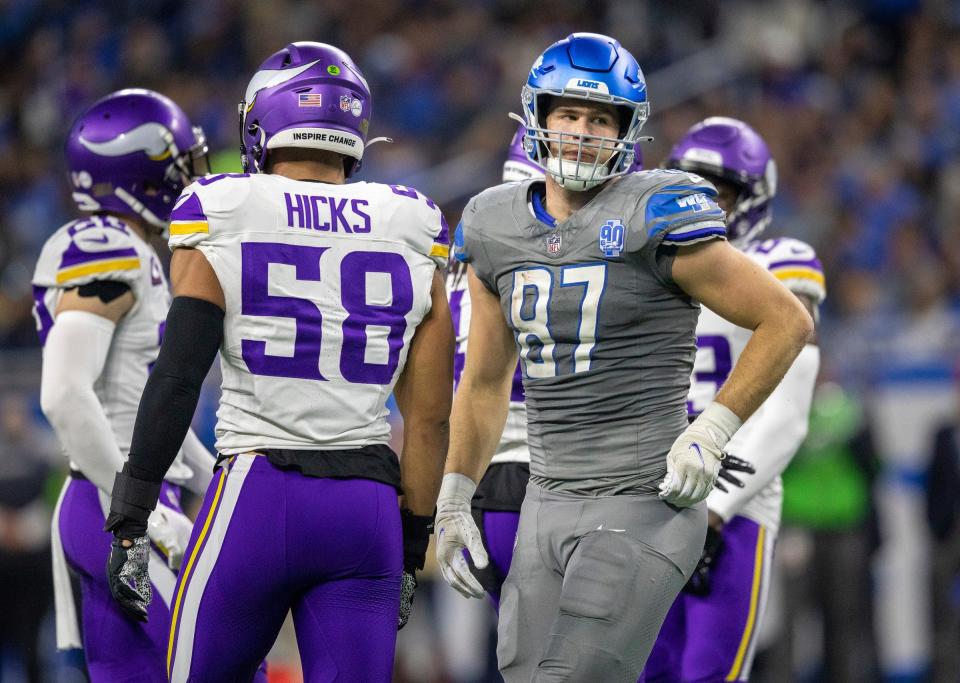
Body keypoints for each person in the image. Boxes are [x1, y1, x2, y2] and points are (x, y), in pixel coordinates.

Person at [434, 33, 813, 682]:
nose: (582, 132)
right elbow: (485, 378)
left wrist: (712, 429)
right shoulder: (493, 221)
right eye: (568, 115)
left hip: (645, 491)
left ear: (628, 130)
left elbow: (787, 320)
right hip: (544, 493)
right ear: (538, 119)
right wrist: (453, 495)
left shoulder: (658, 208)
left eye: (600, 118)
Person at [103, 42, 453, 682]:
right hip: (367, 510)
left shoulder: (224, 206)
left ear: (264, 120)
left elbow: (179, 376)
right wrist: (411, 544)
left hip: (259, 495)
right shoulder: (413, 220)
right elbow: (430, 419)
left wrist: (132, 510)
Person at [32, 88, 215, 681]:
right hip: (114, 503)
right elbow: (63, 393)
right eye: (178, 164)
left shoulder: (138, 251)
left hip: (119, 499)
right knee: (211, 663)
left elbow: (146, 399)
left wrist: (222, 482)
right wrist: (140, 518)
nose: (191, 177)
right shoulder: (109, 246)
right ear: (142, 172)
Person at [642, 117, 825, 682]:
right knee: (645, 669)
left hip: (735, 494)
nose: (701, 202)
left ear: (750, 200)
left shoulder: (778, 262)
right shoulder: (646, 264)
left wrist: (717, 511)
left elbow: (789, 406)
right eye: (691, 186)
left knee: (710, 672)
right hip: (647, 491)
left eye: (717, 192)